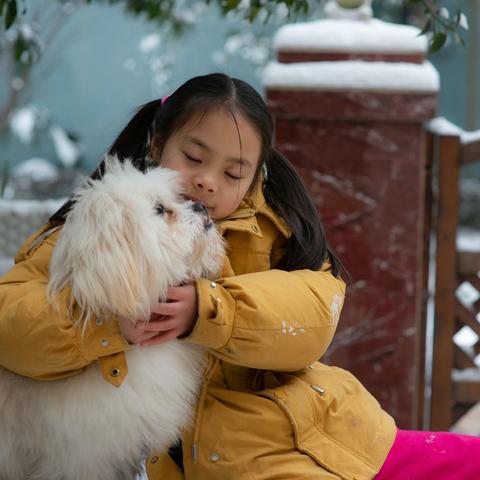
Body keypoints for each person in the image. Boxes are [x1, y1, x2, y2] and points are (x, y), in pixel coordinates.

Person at [0, 72, 478, 480]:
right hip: (235, 462)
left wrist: (211, 310)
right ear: (157, 143)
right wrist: (109, 322)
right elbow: (12, 324)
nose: (208, 181)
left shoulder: (272, 232)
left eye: (233, 174)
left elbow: (313, 312)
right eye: (194, 157)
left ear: (255, 178)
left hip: (323, 427)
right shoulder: (98, 225)